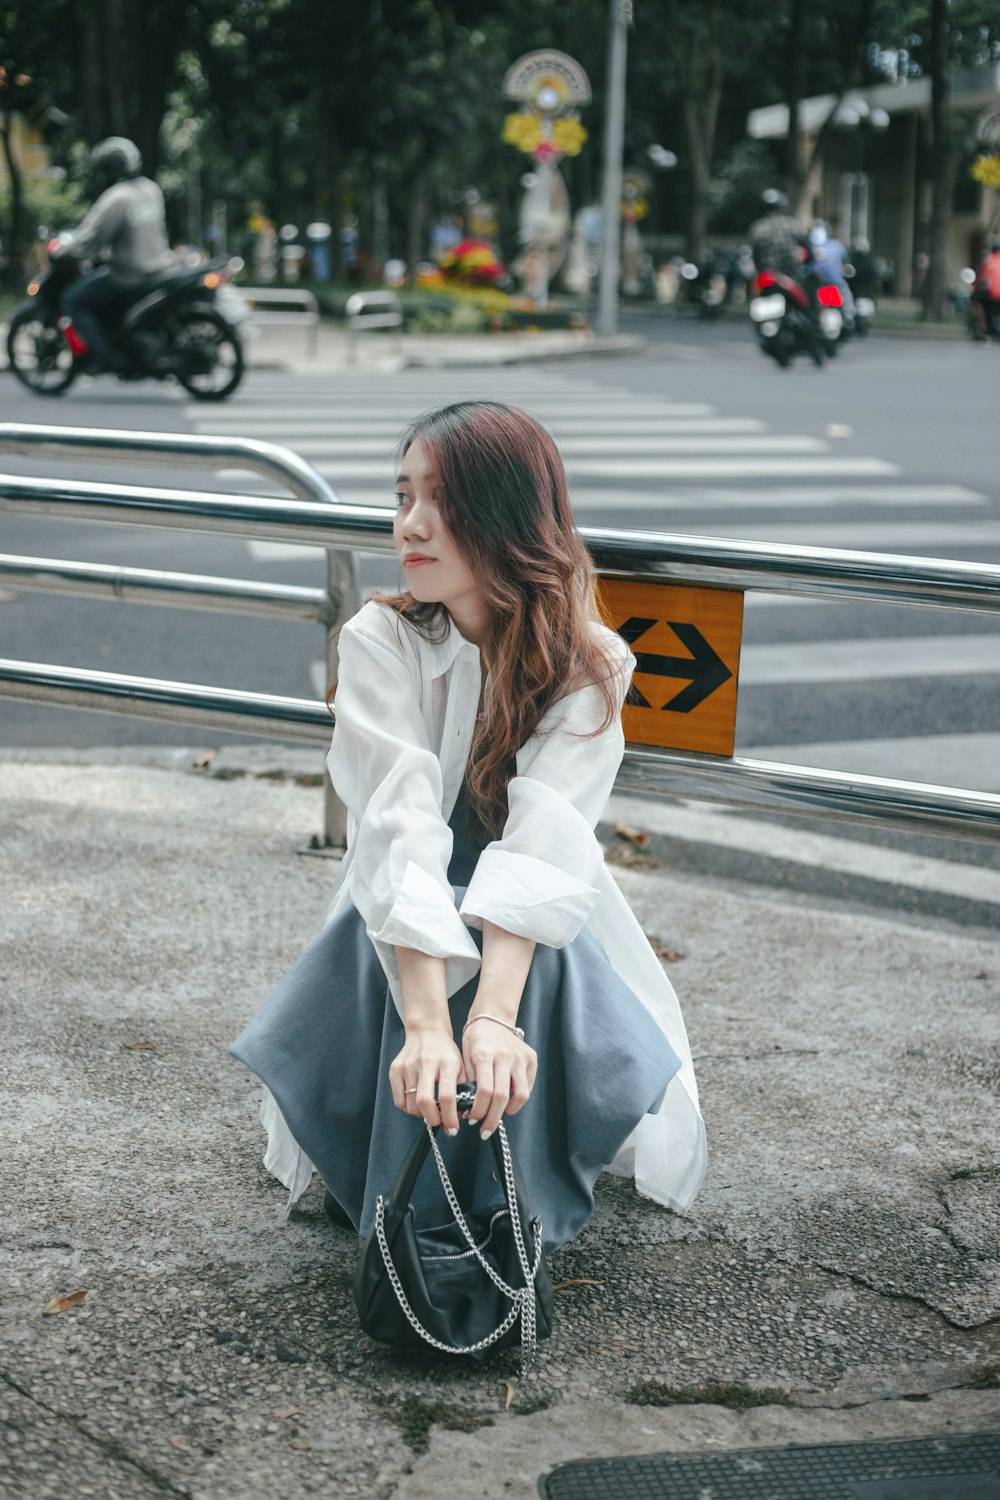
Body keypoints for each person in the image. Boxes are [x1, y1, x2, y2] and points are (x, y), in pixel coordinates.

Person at [230, 402, 706, 1254]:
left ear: (506, 517)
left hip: (536, 924)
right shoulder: (381, 639)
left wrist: (490, 1020)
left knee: (524, 966)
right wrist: (427, 1027)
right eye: (403, 492)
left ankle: (503, 1215)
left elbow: (544, 848)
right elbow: (398, 832)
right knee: (421, 925)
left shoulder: (588, 662)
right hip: (399, 912)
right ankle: (399, 1189)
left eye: (440, 499)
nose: (410, 523)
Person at [54, 137, 171, 372]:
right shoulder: (150, 188)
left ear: (106, 170)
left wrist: (63, 251)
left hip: (128, 275)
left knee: (72, 299)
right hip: (160, 267)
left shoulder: (117, 198)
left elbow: (89, 239)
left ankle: (105, 357)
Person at [748, 188, 809, 281]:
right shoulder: (793, 225)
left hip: (766, 278)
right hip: (792, 277)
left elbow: (753, 254)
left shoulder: (757, 227)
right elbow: (808, 249)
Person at [971, 242, 1000, 341]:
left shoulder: (989, 263)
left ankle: (982, 330)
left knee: (977, 300)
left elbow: (982, 280)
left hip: (993, 297)